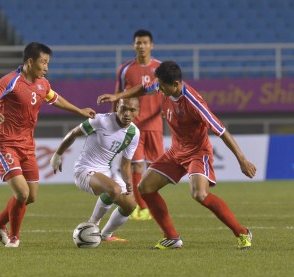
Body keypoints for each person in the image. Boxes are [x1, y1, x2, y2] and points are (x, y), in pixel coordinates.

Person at [97, 61, 257, 250]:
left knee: (199, 194)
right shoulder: (162, 85)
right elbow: (141, 89)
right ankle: (171, 237)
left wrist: (242, 159)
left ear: (175, 84)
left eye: (162, 86)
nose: (159, 89)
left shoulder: (193, 102)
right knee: (145, 187)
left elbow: (221, 130)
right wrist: (117, 96)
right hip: (175, 152)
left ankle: (242, 233)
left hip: (197, 153)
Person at [0, 42, 96, 248]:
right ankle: (14, 237)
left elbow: (55, 99)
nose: (46, 67)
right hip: (5, 145)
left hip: (27, 146)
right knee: (22, 193)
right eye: (43, 63)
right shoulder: (11, 80)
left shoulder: (43, 83)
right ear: (30, 62)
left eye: (48, 63)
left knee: (31, 196)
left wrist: (79, 111)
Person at [50, 98, 140, 242]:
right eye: (124, 109)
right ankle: (92, 225)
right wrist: (58, 154)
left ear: (138, 112)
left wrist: (128, 181)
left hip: (106, 172)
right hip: (84, 170)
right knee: (114, 190)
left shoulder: (134, 133)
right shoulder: (100, 121)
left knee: (130, 206)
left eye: (132, 110)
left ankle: (106, 235)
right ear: (117, 107)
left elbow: (125, 164)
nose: (127, 114)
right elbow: (73, 133)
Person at [113, 29, 164, 221]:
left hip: (155, 125)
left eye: (145, 42)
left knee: (155, 167)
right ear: (133, 45)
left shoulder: (160, 68)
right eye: (138, 43)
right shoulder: (125, 69)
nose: (141, 46)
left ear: (151, 45)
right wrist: (115, 119)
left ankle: (150, 203)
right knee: (134, 166)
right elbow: (117, 95)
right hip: (132, 126)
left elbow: (168, 94)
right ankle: (140, 206)